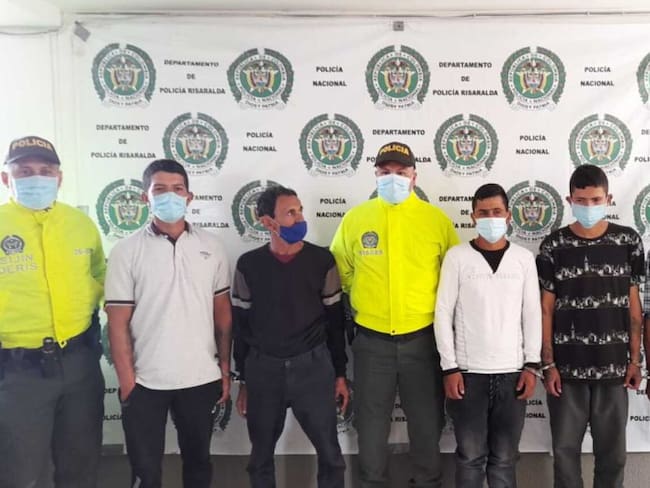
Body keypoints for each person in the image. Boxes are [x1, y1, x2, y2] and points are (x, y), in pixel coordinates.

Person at [330, 141, 460, 488]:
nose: (393, 178)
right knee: (371, 428)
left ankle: (429, 483)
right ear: (375, 175)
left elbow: (453, 279)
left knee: (427, 425)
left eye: (401, 172)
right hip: (372, 343)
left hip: (424, 341)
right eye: (385, 172)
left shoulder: (436, 221)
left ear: (414, 176)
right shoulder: (356, 219)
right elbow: (342, 272)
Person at [105, 159, 232, 488]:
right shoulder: (125, 251)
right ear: (145, 197)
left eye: (178, 189)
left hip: (200, 378)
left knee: (199, 466)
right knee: (145, 472)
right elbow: (117, 322)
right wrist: (128, 382)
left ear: (189, 196)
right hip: (145, 382)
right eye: (160, 189)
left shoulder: (212, 247)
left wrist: (224, 370)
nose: (170, 196)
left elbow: (222, 313)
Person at [0, 135, 106, 487]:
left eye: (46, 171)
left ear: (59, 178)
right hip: (17, 371)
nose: (36, 178)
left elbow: (100, 275)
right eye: (24, 171)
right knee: (20, 474)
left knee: (81, 466)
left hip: (80, 363)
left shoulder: (80, 224)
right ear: (6, 178)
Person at [233, 185, 348, 488]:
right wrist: (243, 380)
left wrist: (339, 374)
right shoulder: (248, 265)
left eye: (300, 211)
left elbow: (335, 322)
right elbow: (241, 326)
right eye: (290, 213)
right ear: (267, 222)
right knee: (260, 457)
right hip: (263, 370)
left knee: (331, 455)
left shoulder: (322, 261)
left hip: (313, 367)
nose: (299, 219)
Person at [536, 164, 644, 488]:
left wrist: (636, 360)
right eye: (581, 201)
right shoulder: (553, 246)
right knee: (565, 454)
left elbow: (634, 307)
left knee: (613, 456)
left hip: (614, 369)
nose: (588, 207)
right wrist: (548, 364)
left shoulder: (628, 241)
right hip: (566, 371)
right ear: (569, 200)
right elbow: (546, 309)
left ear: (608, 199)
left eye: (596, 200)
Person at [434, 183, 541, 488]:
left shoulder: (523, 259)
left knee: (504, 458)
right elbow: (443, 313)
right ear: (472, 217)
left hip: (512, 374)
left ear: (508, 216)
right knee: (470, 457)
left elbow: (532, 313)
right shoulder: (457, 257)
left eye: (496, 211)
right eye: (483, 213)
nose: (490, 218)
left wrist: (531, 365)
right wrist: (450, 367)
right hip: (469, 375)